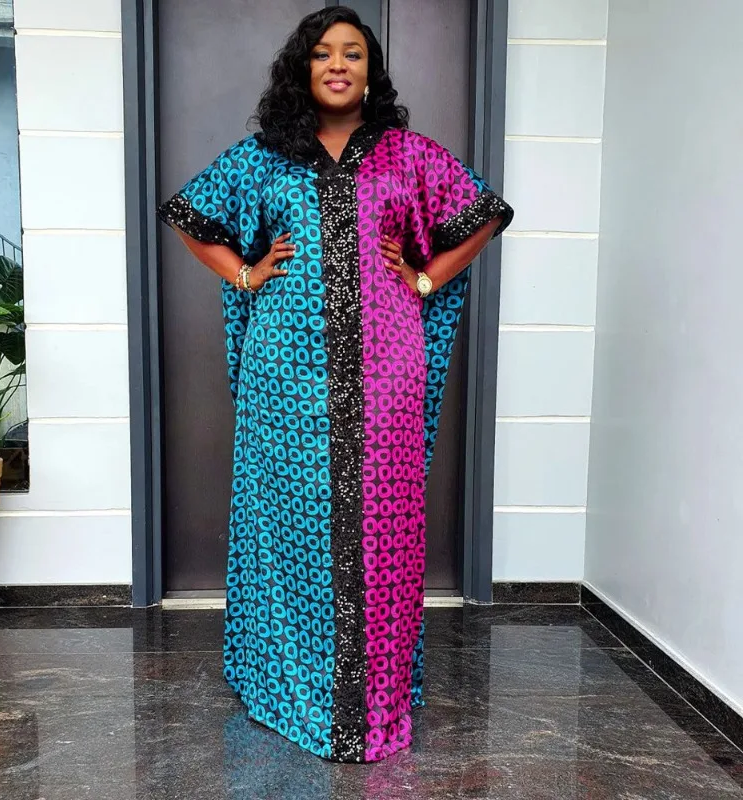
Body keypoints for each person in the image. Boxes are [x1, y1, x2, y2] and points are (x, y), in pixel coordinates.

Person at [157, 5, 513, 764]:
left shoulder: (407, 155)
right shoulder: (267, 156)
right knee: (287, 522)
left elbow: (484, 214)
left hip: (386, 370)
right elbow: (188, 214)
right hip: (284, 376)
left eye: (353, 52)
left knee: (382, 525)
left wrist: (424, 277)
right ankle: (286, 681)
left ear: (371, 70)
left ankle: (373, 692)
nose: (339, 65)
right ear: (304, 68)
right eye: (323, 54)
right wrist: (247, 272)